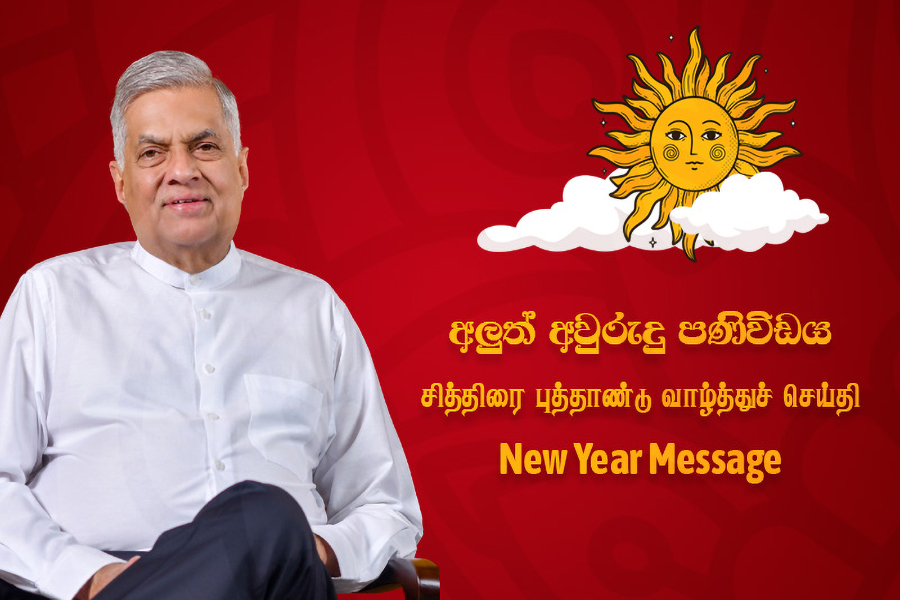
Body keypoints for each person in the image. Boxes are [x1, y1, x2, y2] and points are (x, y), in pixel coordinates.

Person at [0, 51, 422, 600]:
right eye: (153, 153)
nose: (182, 170)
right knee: (268, 514)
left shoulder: (313, 308)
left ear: (241, 169)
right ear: (120, 181)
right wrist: (90, 575)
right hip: (96, 587)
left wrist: (303, 547)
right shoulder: (51, 296)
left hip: (282, 584)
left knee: (266, 517)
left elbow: (386, 506)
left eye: (205, 146)